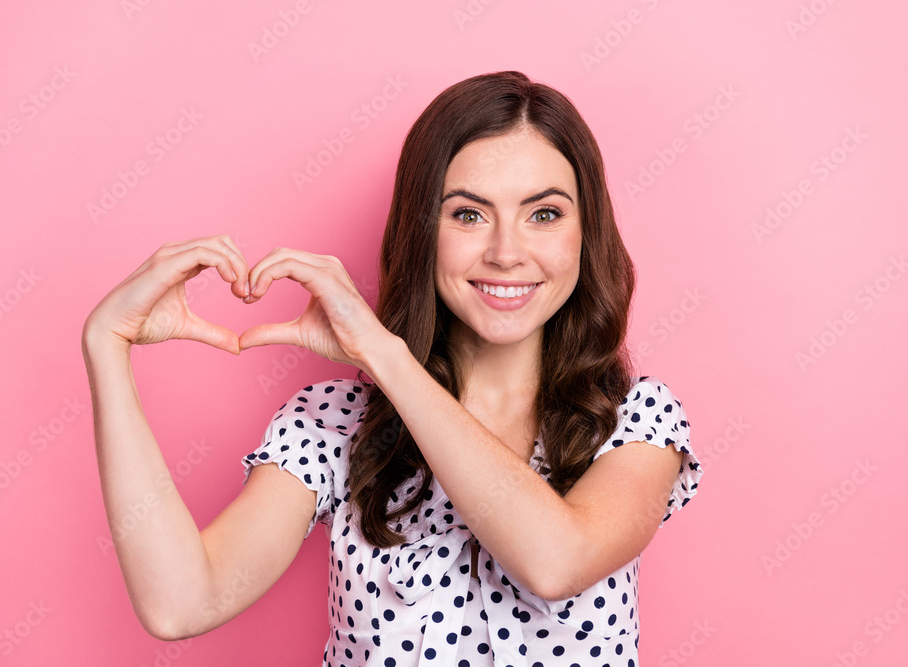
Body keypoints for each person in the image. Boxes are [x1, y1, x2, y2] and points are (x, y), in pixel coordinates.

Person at [82, 70, 703, 666]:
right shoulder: (332, 423)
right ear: (420, 230)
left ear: (585, 232)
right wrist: (107, 347)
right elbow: (181, 602)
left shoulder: (634, 419)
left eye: (544, 214)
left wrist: (382, 352)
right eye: (467, 214)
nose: (507, 253)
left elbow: (558, 561)